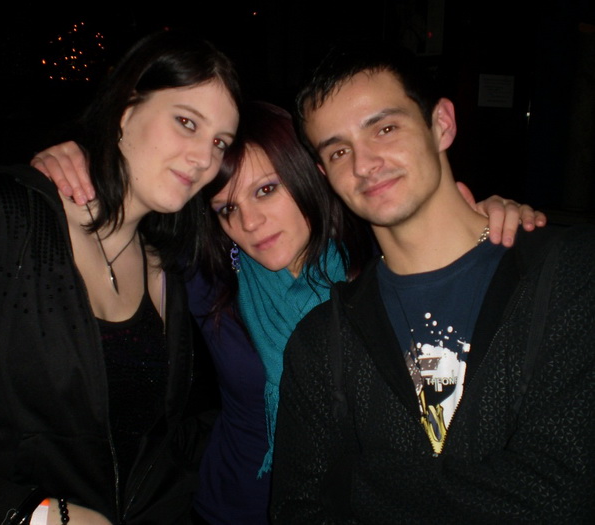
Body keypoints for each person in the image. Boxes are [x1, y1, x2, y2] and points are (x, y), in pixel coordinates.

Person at [33, 98, 545, 524]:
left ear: (309, 177)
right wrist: (75, 163)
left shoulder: (380, 260)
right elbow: (123, 217)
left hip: (354, 506)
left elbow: (449, 237)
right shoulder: (213, 277)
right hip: (232, 505)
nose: (249, 222)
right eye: (227, 208)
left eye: (266, 190)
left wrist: (496, 214)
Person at [0, 30, 240, 525]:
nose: (205, 159)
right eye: (186, 122)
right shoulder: (2, 221)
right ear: (125, 109)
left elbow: (149, 447)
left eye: (219, 142)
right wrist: (35, 516)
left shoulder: (168, 270)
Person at [270, 42, 595, 522]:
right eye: (339, 151)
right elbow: (297, 510)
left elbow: (563, 494)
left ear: (441, 123)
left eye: (384, 128)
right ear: (324, 174)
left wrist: (355, 483)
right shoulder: (322, 340)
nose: (364, 164)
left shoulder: (570, 271)